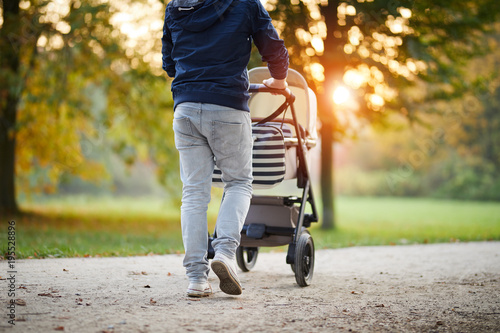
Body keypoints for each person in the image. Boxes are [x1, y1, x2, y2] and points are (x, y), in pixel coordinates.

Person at [161, 0, 289, 297]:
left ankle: (196, 278)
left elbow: (169, 65)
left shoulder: (174, 7)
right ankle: (225, 254)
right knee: (239, 183)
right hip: (229, 106)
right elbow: (273, 47)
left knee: (193, 194)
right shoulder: (245, 4)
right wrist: (279, 80)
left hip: (186, 108)